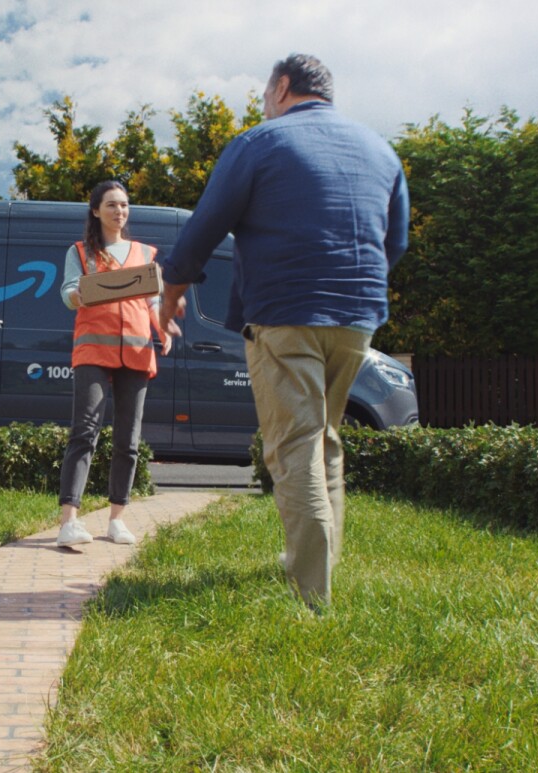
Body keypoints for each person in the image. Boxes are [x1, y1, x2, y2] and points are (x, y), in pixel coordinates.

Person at [157, 54, 409, 606]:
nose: (264, 106)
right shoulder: (379, 149)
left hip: (285, 313)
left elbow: (202, 229)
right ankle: (319, 561)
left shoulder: (259, 143)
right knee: (325, 439)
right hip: (357, 317)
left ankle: (310, 592)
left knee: (294, 444)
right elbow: (396, 242)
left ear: (284, 87)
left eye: (265, 95)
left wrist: (170, 296)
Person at [55, 180, 172, 548]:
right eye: (111, 205)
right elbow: (68, 293)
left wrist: (163, 327)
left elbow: (153, 301)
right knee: (84, 432)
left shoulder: (144, 253)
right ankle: (69, 521)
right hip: (93, 350)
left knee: (129, 439)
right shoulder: (81, 251)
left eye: (123, 205)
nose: (119, 211)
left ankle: (117, 519)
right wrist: (81, 293)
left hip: (136, 351)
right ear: (95, 211)